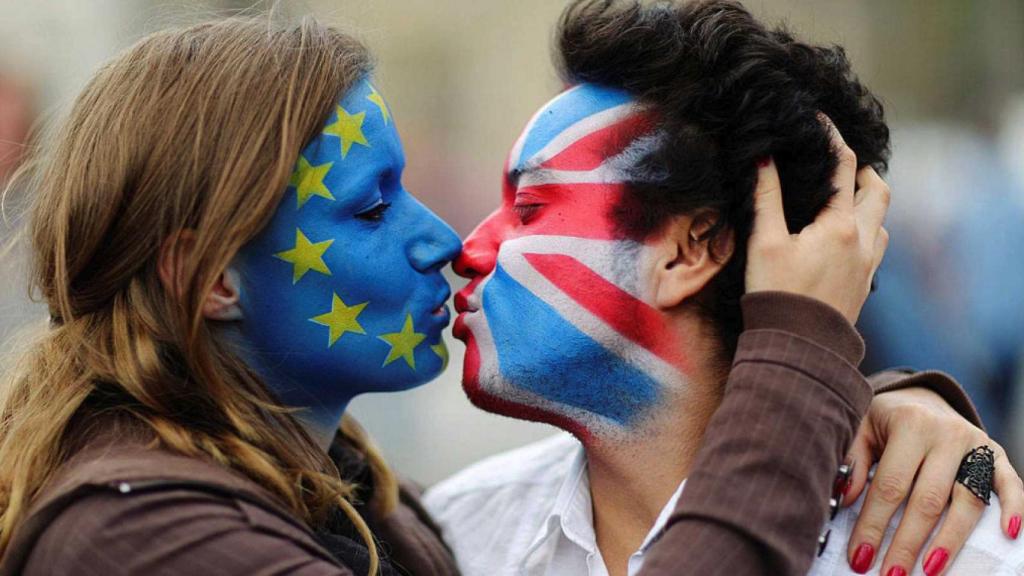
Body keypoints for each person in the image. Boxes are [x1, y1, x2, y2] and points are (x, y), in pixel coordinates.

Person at [0, 10, 1012, 576]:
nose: (449, 244)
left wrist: (893, 407)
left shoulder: (392, 525)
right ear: (207, 274)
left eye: (529, 206)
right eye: (368, 208)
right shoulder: (139, 537)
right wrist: (798, 359)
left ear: (691, 248)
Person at [424, 2, 1024, 576]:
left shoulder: (964, 559)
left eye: (529, 209)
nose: (469, 249)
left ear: (691, 249)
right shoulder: (455, 535)